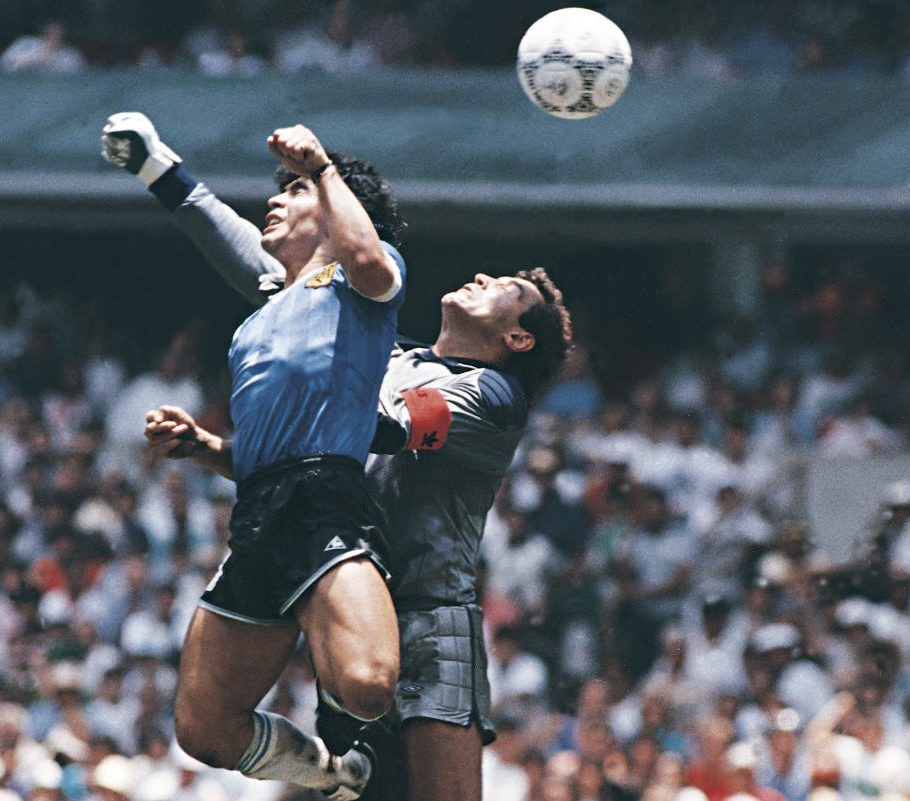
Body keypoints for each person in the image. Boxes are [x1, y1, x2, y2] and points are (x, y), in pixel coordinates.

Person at [103, 113, 573, 800]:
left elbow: (367, 430)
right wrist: (215, 448)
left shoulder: (493, 395)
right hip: (341, 580)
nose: (481, 275)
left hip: (428, 612)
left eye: (505, 287)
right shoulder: (385, 352)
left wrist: (306, 328)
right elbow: (306, 417)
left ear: (518, 338)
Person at [102, 113, 409, 800]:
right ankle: (335, 775)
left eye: (294, 191)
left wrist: (323, 167)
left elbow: (363, 257)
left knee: (367, 684)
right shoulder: (264, 314)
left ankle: (380, 677)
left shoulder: (364, 283)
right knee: (204, 729)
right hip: (259, 511)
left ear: (336, 211)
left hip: (325, 503)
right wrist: (204, 447)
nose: (275, 199)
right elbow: (218, 229)